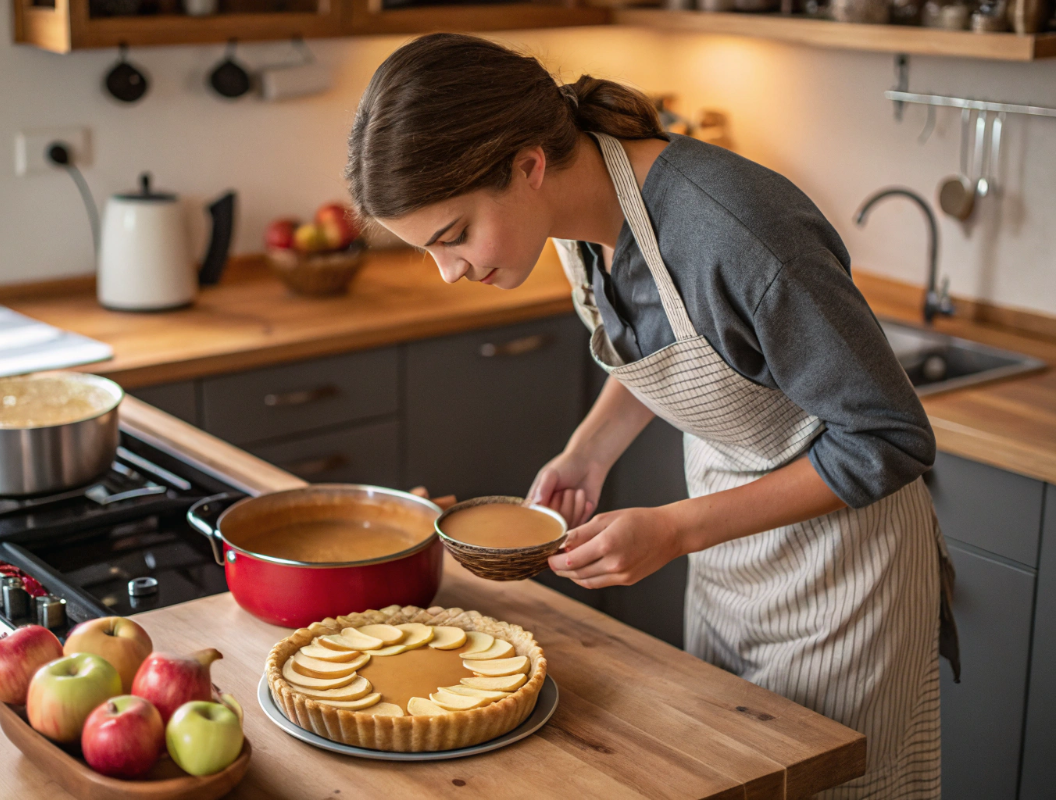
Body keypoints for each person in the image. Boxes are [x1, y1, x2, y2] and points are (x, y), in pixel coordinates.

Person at [345, 32, 957, 799]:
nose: (450, 272)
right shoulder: (576, 219)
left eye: (454, 236)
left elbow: (890, 437)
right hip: (733, 567)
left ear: (528, 166)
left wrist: (678, 528)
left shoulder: (734, 232)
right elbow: (679, 348)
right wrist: (588, 451)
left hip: (846, 585)